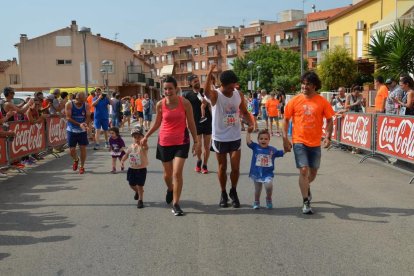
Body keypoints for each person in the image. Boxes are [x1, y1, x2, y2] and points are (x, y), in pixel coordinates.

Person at [141, 76, 201, 216]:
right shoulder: (160, 104)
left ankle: (176, 203)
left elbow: (191, 123)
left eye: (170, 89)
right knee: (167, 176)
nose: (168, 91)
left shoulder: (185, 103)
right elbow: (157, 123)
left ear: (176, 89)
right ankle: (170, 189)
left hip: (181, 141)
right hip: (164, 142)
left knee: (177, 173)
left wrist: (196, 142)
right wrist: (146, 136)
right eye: (165, 89)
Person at [282, 72, 335, 215]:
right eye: (303, 84)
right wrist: (285, 138)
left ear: (315, 86)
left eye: (308, 84)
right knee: (304, 170)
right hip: (299, 140)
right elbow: (286, 119)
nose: (304, 86)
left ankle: (306, 186)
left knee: (313, 173)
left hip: (315, 142)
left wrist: (328, 136)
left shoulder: (322, 101)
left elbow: (330, 120)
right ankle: (306, 201)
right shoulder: (294, 100)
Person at [204, 64, 254, 208]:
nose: (234, 87)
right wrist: (209, 73)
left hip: (235, 136)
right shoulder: (216, 95)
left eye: (235, 84)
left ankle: (233, 191)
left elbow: (243, 111)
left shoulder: (238, 94)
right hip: (220, 137)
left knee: (236, 167)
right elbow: (206, 92)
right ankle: (223, 193)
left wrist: (250, 122)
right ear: (223, 85)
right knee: (222, 167)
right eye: (231, 85)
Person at [247, 129, 284, 209]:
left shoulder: (272, 150)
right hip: (256, 173)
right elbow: (249, 142)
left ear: (269, 140)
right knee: (257, 189)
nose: (263, 140)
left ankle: (268, 199)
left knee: (268, 186)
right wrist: (248, 132)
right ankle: (256, 202)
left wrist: (287, 149)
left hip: (267, 174)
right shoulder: (255, 147)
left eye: (266, 139)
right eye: (261, 139)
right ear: (258, 140)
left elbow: (280, 153)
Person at [183, 75, 213, 174]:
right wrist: (186, 122)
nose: (197, 82)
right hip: (195, 123)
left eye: (198, 80)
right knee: (198, 145)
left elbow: (213, 104)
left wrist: (207, 103)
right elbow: (185, 111)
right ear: (190, 83)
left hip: (207, 121)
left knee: (207, 146)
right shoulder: (188, 95)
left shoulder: (205, 92)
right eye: (195, 81)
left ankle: (205, 164)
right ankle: (199, 160)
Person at [121, 126, 149, 209]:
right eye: (135, 137)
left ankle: (140, 200)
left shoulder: (143, 146)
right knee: (131, 184)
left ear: (142, 137)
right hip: (132, 168)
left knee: (140, 185)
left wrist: (144, 142)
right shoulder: (131, 146)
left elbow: (146, 147)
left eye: (139, 137)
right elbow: (126, 155)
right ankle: (137, 191)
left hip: (141, 169)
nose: (137, 139)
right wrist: (122, 161)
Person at [65, 92, 91, 174]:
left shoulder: (86, 105)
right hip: (71, 129)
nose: (84, 102)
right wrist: (79, 124)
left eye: (84, 100)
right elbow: (68, 118)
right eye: (82, 100)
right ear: (77, 98)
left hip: (82, 130)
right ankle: (76, 159)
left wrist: (85, 124)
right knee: (72, 150)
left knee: (82, 148)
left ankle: (82, 166)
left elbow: (88, 117)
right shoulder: (69, 104)